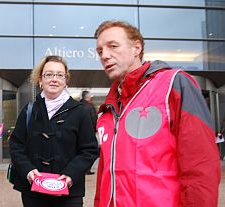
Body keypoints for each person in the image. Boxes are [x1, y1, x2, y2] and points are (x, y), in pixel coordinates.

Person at [93, 20, 221, 207]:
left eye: (113, 46)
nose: (105, 55)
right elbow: (104, 177)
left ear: (137, 47)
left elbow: (200, 166)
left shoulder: (174, 85)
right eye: (100, 51)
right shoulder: (108, 109)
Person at [9, 55, 99, 207]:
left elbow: (89, 150)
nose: (54, 79)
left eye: (59, 75)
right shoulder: (29, 110)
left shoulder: (80, 112)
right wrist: (28, 170)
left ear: (66, 81)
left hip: (69, 193)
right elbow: (16, 145)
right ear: (40, 80)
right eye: (49, 74)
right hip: (33, 192)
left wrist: (71, 174)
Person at [80, 90, 98, 175]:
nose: (91, 97)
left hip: (81, 131)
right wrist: (95, 128)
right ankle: (87, 169)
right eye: (90, 96)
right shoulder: (89, 106)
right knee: (90, 150)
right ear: (86, 97)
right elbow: (93, 118)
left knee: (82, 150)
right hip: (90, 130)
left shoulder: (79, 105)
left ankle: (83, 169)